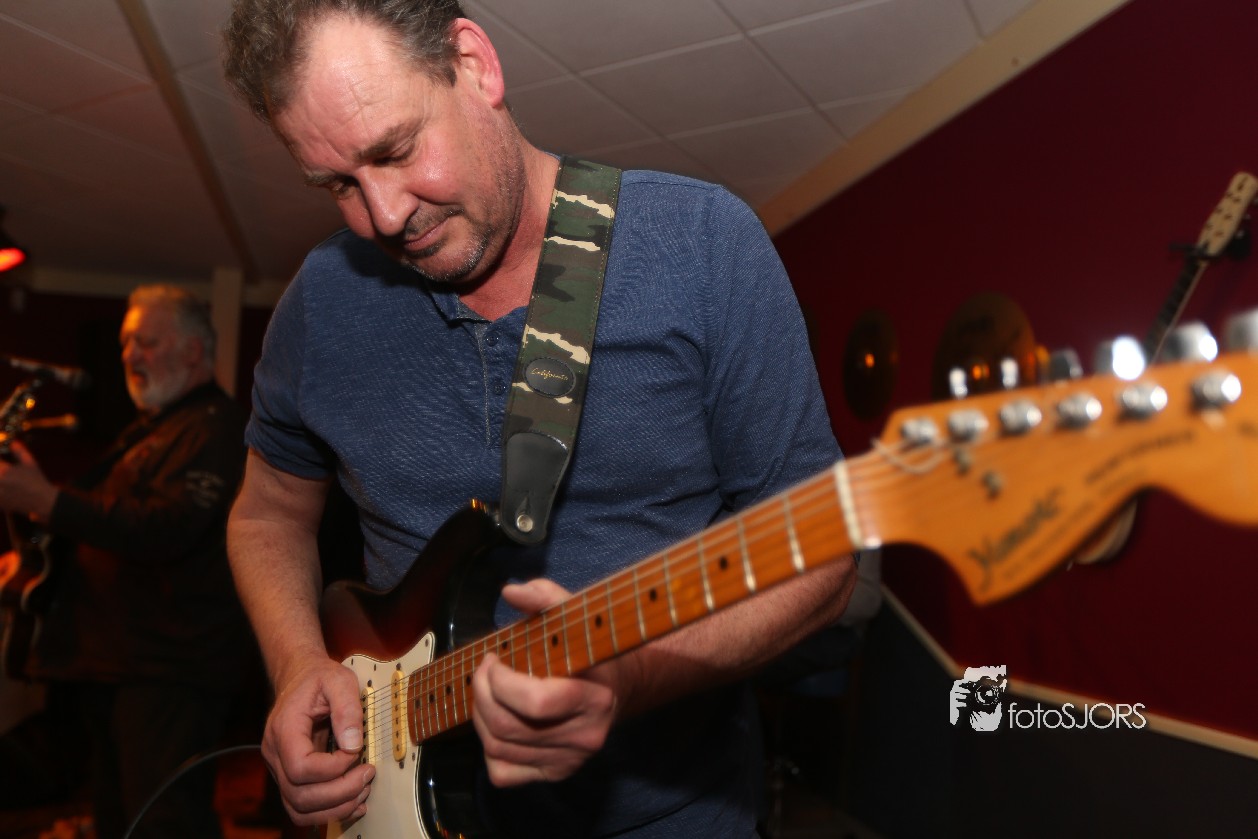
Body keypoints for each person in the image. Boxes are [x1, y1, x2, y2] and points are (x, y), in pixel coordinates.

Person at [221, 2, 857, 836]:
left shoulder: (701, 247)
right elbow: (267, 513)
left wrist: (629, 679)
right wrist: (297, 663)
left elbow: (824, 555)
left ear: (475, 65)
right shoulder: (320, 303)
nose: (382, 214)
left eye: (395, 150)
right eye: (339, 183)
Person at [0, 284, 250, 839]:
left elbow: (168, 528)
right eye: (125, 344)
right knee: (120, 823)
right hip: (120, 666)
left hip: (169, 672)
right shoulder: (153, 429)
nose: (130, 355)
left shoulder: (215, 427)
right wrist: (31, 559)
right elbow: (111, 527)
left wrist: (48, 501)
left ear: (192, 350)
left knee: (163, 825)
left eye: (146, 342)